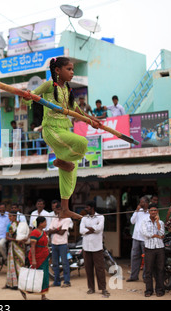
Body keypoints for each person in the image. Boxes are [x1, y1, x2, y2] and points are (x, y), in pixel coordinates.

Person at [23, 57, 100, 220]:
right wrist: (28, 96)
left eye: (73, 70)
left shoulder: (67, 91)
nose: (72, 72)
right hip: (51, 130)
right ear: (58, 70)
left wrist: (91, 120)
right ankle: (59, 161)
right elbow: (29, 97)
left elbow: (77, 110)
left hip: (64, 130)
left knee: (71, 170)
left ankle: (65, 208)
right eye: (69, 69)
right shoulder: (49, 85)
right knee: (82, 142)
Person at [80, 200, 110, 298]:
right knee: (88, 269)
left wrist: (88, 229)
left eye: (87, 207)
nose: (86, 209)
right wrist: (92, 229)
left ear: (92, 208)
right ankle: (91, 288)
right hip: (86, 247)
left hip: (97, 247)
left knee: (100, 269)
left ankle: (103, 288)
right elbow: (81, 230)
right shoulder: (84, 218)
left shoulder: (101, 217)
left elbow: (99, 229)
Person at [22, 216, 50, 300]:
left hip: (44, 257)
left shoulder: (43, 232)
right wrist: (33, 259)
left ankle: (43, 295)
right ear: (40, 223)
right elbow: (33, 247)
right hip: (37, 257)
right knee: (35, 276)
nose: (46, 223)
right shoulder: (34, 233)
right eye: (44, 222)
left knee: (44, 276)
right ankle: (23, 288)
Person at [141, 204, 165, 297]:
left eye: (155, 210)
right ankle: (148, 290)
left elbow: (162, 233)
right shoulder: (144, 221)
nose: (153, 212)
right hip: (149, 248)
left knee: (160, 269)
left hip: (160, 248)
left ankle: (160, 290)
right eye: (152, 210)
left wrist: (158, 222)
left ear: (157, 211)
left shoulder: (161, 222)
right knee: (148, 270)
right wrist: (155, 235)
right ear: (149, 212)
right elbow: (145, 233)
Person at [47, 201, 72, 287]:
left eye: (59, 210)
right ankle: (56, 282)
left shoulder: (67, 219)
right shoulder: (54, 218)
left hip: (63, 243)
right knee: (55, 264)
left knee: (65, 263)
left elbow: (62, 232)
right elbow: (50, 231)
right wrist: (58, 228)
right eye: (56, 210)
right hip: (54, 243)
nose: (57, 212)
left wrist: (55, 230)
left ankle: (67, 281)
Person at [127, 196, 150, 282]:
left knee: (146, 258)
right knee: (134, 257)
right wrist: (136, 211)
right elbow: (132, 221)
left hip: (145, 239)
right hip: (136, 237)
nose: (140, 204)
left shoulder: (150, 212)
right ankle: (133, 276)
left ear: (147, 203)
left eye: (142, 202)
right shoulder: (138, 211)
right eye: (140, 202)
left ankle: (145, 277)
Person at [4, 212, 26, 290]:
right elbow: (7, 237)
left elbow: (25, 234)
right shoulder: (9, 225)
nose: (9, 217)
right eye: (9, 216)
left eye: (11, 216)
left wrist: (21, 239)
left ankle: (20, 284)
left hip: (20, 246)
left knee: (20, 264)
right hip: (13, 245)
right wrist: (14, 239)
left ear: (15, 216)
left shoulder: (21, 225)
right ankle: (12, 283)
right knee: (12, 264)